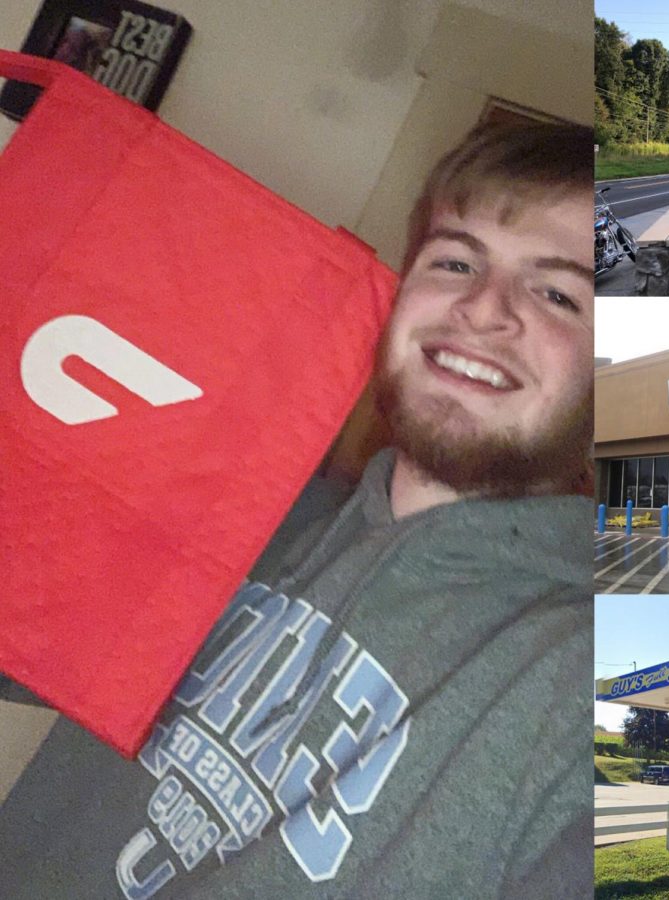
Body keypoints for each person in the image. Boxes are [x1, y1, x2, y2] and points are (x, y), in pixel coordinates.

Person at [0, 121, 594, 899]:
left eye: (557, 293)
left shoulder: (592, 677)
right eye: (455, 260)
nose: (484, 309)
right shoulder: (235, 496)